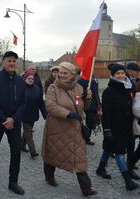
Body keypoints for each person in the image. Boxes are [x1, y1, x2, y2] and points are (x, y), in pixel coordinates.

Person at [41, 62, 97, 196]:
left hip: (75, 128)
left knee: (79, 158)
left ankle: (86, 188)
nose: (61, 75)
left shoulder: (78, 88)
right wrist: (68, 114)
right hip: (57, 128)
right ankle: (49, 177)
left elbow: (83, 107)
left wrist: (88, 99)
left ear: (73, 75)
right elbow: (50, 106)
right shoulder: (53, 88)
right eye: (60, 72)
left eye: (65, 73)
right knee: (52, 153)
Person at [0, 51, 26, 195]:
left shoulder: (20, 80)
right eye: (9, 60)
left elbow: (23, 103)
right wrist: (4, 119)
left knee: (16, 152)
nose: (12, 63)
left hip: (14, 122)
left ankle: (13, 182)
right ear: (3, 62)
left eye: (14, 61)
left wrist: (13, 119)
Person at [96, 64, 139, 191]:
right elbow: (106, 114)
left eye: (122, 73)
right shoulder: (108, 92)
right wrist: (107, 130)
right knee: (120, 153)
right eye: (118, 74)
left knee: (109, 148)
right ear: (112, 75)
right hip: (114, 127)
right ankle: (127, 181)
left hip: (126, 127)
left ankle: (100, 168)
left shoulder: (127, 89)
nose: (121, 75)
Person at [21, 71, 47, 159]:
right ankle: (33, 151)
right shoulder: (21, 88)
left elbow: (41, 103)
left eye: (32, 79)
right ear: (25, 79)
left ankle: (21, 145)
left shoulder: (37, 88)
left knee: (27, 131)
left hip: (33, 114)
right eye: (29, 78)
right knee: (28, 132)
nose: (31, 80)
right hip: (24, 115)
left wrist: (44, 114)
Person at [126, 62, 140, 169]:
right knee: (122, 138)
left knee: (132, 138)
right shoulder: (123, 80)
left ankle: (130, 160)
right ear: (130, 71)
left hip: (136, 113)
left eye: (137, 72)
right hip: (126, 114)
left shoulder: (139, 82)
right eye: (135, 71)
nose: (137, 74)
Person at [77, 75, 100, 145]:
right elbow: (79, 94)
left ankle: (87, 138)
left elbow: (96, 93)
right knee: (85, 122)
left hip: (94, 105)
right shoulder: (80, 81)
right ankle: (82, 138)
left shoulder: (94, 80)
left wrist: (98, 103)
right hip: (86, 105)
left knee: (91, 122)